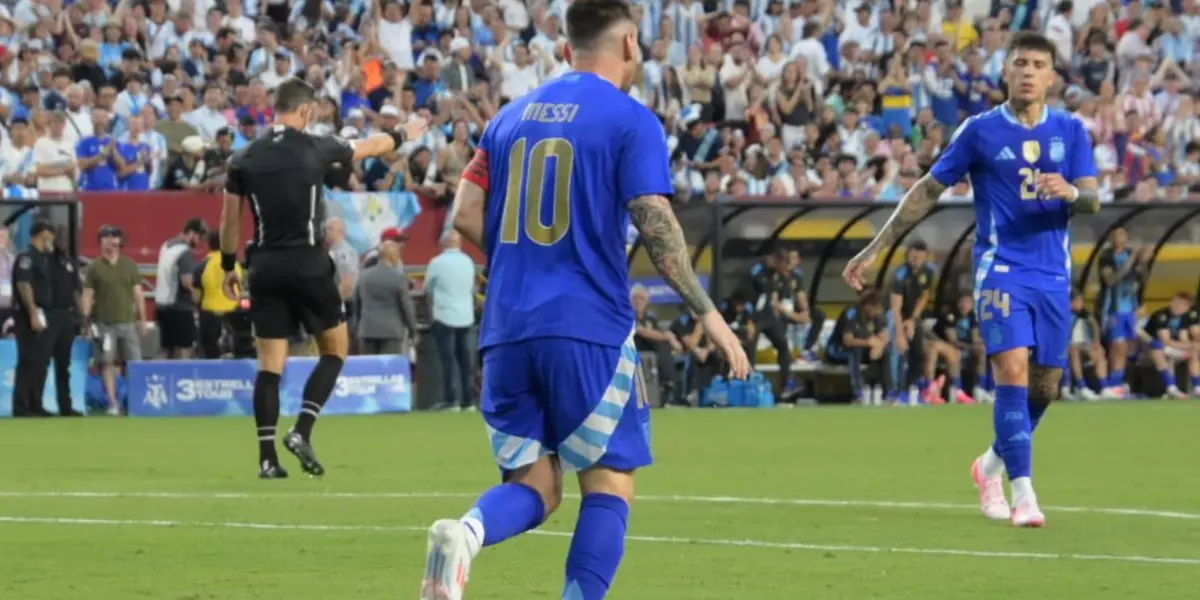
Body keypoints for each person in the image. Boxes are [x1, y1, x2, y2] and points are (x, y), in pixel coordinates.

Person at [419, 2, 751, 599]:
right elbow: (656, 223)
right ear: (628, 45)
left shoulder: (508, 119)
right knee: (609, 484)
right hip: (589, 326)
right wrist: (708, 314)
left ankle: (465, 533)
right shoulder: (630, 120)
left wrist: (531, 259)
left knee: (537, 485)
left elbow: (465, 212)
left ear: (568, 46)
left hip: (507, 327)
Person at [842, 31, 1101, 528]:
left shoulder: (1070, 130)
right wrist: (876, 248)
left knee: (1045, 389)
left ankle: (989, 467)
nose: (1027, 72)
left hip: (1051, 276)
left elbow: (1093, 199)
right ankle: (1024, 495)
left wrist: (1070, 191)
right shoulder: (980, 131)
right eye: (1019, 63)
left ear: (1051, 77)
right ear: (1006, 71)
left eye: (1037, 64)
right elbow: (926, 191)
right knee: (1012, 372)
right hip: (1000, 270)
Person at [218, 77, 428, 479]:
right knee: (334, 350)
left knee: (269, 366)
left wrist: (229, 265)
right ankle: (302, 430)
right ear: (306, 111)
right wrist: (405, 133)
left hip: (264, 267)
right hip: (309, 263)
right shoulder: (315, 147)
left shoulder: (242, 159)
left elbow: (229, 220)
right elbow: (371, 146)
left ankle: (267, 459)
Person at [83, 225, 148, 416]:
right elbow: (88, 295)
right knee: (106, 362)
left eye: (113, 237)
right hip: (104, 324)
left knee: (134, 362)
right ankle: (112, 402)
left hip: (127, 322)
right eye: (105, 237)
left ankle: (135, 400)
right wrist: (86, 321)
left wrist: (142, 319)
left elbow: (138, 294)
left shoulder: (129, 265)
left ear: (120, 241)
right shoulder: (94, 267)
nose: (109, 241)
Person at [425, 231, 478, 411]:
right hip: (466, 316)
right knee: (466, 360)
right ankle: (468, 401)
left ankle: (451, 400)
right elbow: (472, 288)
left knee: (448, 360)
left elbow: (428, 289)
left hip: (444, 315)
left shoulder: (437, 263)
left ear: (443, 244)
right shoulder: (468, 261)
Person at [11, 222, 56, 418]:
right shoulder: (26, 258)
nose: (53, 237)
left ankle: (36, 403)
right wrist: (32, 313)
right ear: (41, 234)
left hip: (46, 314)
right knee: (28, 361)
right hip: (30, 314)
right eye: (50, 233)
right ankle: (22, 406)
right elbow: (24, 284)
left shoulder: (45, 258)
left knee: (41, 361)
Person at [1096, 226, 1147, 397]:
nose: (1122, 237)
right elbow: (1111, 280)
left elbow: (1140, 279)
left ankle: (1118, 383)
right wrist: (1133, 259)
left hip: (1129, 309)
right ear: (1112, 237)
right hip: (1112, 308)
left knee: (1127, 347)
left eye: (1124, 234)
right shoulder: (1107, 257)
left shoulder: (1130, 254)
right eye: (1118, 234)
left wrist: (1143, 262)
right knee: (1116, 346)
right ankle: (1109, 384)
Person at [354, 227, 419, 356]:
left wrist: (356, 325)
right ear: (393, 256)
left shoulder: (363, 275)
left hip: (367, 329)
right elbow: (406, 306)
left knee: (369, 370)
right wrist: (413, 331)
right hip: (391, 331)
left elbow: (357, 301)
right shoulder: (398, 277)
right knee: (387, 370)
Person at [887, 240, 937, 404]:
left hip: (911, 316)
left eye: (920, 257)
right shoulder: (900, 275)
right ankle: (896, 392)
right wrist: (900, 334)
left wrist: (913, 320)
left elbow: (924, 296)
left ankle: (913, 389)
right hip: (895, 314)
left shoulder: (928, 271)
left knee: (918, 350)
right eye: (913, 256)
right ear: (908, 255)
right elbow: (895, 308)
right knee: (900, 349)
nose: (916, 259)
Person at [824, 289, 890, 405]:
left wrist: (879, 345)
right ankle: (858, 393)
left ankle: (886, 392)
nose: (877, 313)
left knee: (886, 352)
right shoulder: (852, 313)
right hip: (837, 350)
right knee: (855, 351)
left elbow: (885, 337)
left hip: (861, 350)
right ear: (868, 306)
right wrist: (869, 343)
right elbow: (848, 341)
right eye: (876, 309)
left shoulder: (877, 317)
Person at [154, 218, 206, 358]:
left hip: (161, 305)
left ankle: (159, 374)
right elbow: (186, 281)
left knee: (166, 348)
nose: (199, 241)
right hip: (179, 308)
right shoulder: (185, 253)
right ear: (191, 233)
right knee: (185, 347)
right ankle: (182, 376)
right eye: (199, 237)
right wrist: (197, 295)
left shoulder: (166, 245)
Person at [47, 225, 83, 417]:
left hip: (66, 316)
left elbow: (76, 292)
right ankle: (34, 403)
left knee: (64, 364)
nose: (62, 241)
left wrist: (83, 318)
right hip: (48, 314)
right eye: (59, 237)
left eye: (65, 237)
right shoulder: (45, 261)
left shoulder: (70, 263)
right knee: (42, 362)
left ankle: (65, 406)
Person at [193, 231, 245, 358]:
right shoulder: (236, 264)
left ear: (209, 245)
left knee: (210, 354)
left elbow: (196, 295)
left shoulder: (201, 265)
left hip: (210, 315)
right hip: (234, 314)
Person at [1140, 292, 1200, 399]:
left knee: (1194, 351)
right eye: (1179, 303)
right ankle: (1171, 388)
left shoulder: (1185, 317)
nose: (1180, 307)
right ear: (1172, 302)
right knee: (1160, 351)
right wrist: (1189, 345)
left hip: (1171, 349)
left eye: (1184, 305)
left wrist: (1192, 346)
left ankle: (1197, 387)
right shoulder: (1161, 315)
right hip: (1148, 349)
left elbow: (1183, 338)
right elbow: (1165, 340)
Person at [1064, 288, 1106, 401]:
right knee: (1073, 350)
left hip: (1076, 344)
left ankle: (1103, 388)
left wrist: (1096, 343)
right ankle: (1081, 387)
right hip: (1061, 346)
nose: (1081, 304)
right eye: (1078, 301)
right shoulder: (1061, 312)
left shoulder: (1082, 313)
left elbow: (1094, 325)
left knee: (1099, 352)